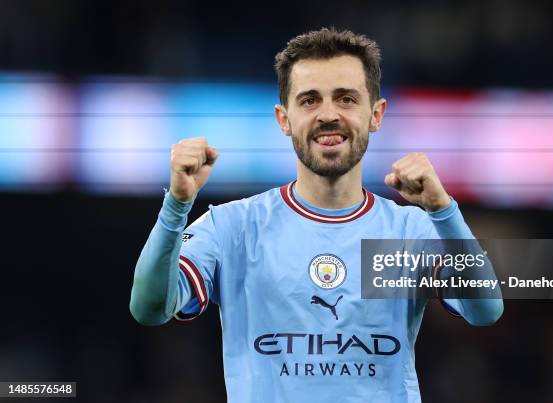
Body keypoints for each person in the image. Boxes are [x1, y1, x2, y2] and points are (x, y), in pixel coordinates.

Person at [129, 27, 503, 403]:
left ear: (376, 114)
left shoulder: (407, 230)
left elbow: (485, 310)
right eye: (309, 100)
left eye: (345, 99)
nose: (328, 114)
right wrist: (176, 206)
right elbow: (149, 308)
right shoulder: (233, 227)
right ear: (283, 118)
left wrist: (443, 211)